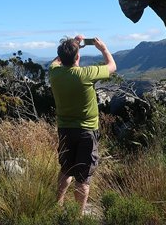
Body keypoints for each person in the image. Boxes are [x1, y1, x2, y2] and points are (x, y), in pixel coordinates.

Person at [49, 35, 117, 213]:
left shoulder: (54, 73)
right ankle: (78, 216)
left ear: (60, 57)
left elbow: (56, 61)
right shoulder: (86, 74)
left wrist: (73, 43)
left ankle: (58, 206)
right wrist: (102, 48)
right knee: (83, 177)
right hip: (87, 132)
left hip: (65, 130)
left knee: (65, 169)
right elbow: (112, 67)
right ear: (78, 57)